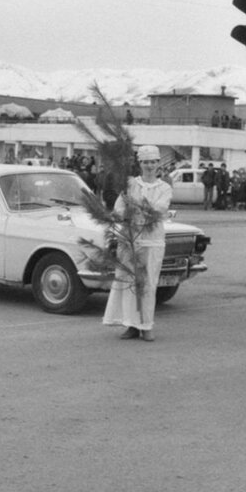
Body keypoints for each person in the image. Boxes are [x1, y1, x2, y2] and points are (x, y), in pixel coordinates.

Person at [103, 145, 172, 343]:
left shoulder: (164, 188)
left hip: (152, 241)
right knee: (128, 282)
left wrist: (136, 205)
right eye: (145, 162)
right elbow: (119, 209)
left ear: (158, 163)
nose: (149, 166)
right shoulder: (131, 184)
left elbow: (158, 210)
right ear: (139, 163)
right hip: (130, 239)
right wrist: (126, 212)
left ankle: (146, 325)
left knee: (148, 284)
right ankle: (131, 325)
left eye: (153, 162)